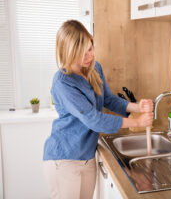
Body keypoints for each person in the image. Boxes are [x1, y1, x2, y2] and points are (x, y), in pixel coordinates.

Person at [43, 20, 153, 199]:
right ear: (68, 53)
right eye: (81, 53)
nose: (88, 56)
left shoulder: (94, 68)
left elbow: (107, 99)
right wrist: (137, 121)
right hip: (64, 160)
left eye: (90, 48)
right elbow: (94, 119)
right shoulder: (62, 82)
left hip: (87, 157)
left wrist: (136, 107)